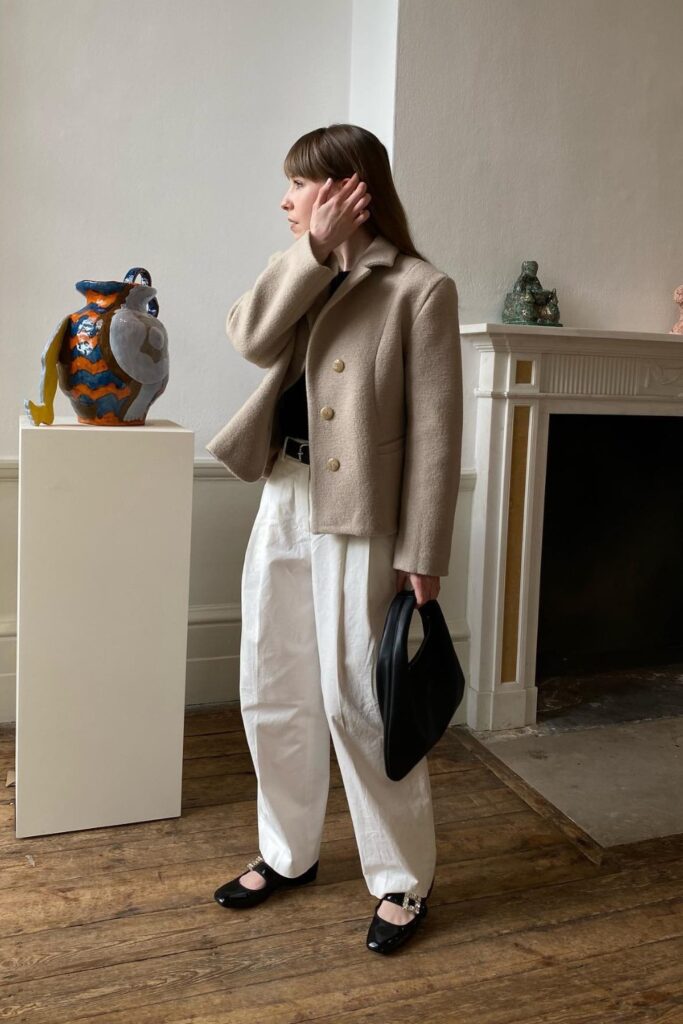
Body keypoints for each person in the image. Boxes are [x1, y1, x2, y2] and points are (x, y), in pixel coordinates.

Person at [206, 124, 463, 954]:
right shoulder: (306, 276)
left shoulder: (419, 289)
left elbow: (436, 432)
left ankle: (401, 882)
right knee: (269, 680)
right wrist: (311, 252)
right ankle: (287, 854)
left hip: (363, 513)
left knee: (359, 699)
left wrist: (422, 548)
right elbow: (247, 336)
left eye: (300, 186)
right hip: (284, 490)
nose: (285, 201)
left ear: (349, 189)